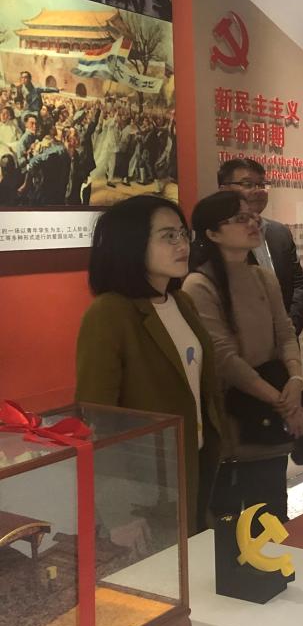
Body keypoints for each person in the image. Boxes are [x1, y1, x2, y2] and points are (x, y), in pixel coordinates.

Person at [75, 195, 225, 534]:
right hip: (146, 485)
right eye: (167, 236)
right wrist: (117, 511)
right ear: (132, 244)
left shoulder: (181, 302)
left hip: (196, 462)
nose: (182, 245)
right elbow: (97, 419)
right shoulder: (110, 312)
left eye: (183, 234)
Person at [183, 191, 303, 522]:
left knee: (271, 516)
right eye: (240, 219)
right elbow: (225, 360)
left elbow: (286, 334)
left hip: (271, 419)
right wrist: (282, 401)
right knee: (231, 522)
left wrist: (295, 381)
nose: (253, 223)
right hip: (234, 420)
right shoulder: (198, 285)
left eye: (253, 217)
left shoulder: (262, 276)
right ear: (212, 233)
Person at [218, 158, 303, 334]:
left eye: (262, 184)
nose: (258, 191)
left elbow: (299, 284)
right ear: (224, 190)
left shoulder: (280, 232)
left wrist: (288, 330)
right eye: (248, 184)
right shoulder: (217, 237)